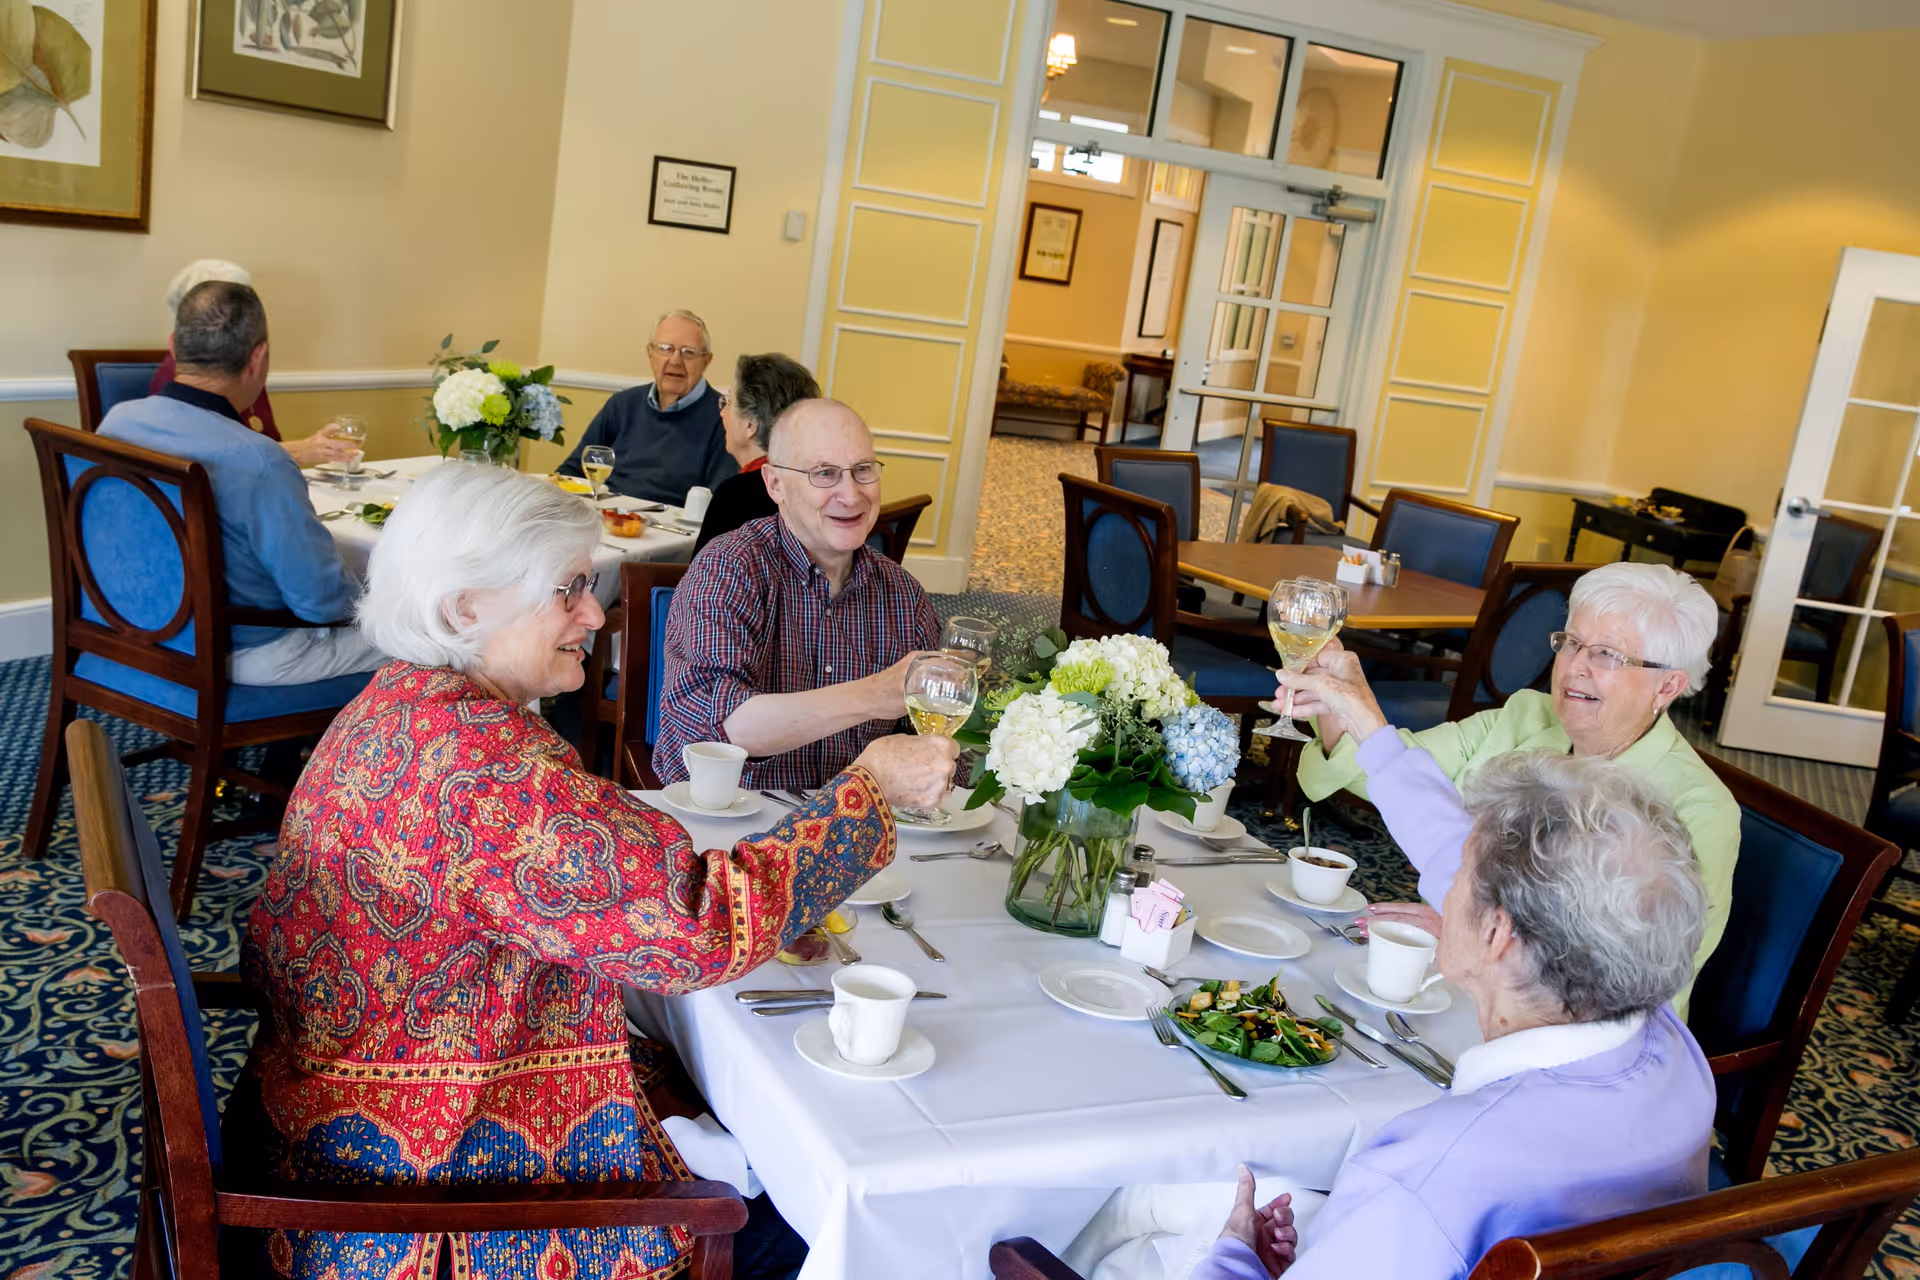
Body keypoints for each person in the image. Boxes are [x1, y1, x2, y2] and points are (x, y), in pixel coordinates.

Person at [233, 462, 959, 1280]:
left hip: (330, 1105)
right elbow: (699, 927)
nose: (595, 612)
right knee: (819, 1215)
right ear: (464, 608)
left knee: (743, 1090)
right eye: (568, 590)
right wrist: (868, 793)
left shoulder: (396, 705)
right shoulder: (489, 775)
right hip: (423, 1189)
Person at [1194, 750, 1715, 1280]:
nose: (1443, 890)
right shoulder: (1681, 1057)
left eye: (1462, 869)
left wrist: (1236, 1258)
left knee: (1150, 1209)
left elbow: (1420, 1204)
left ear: (1497, 934)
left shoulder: (1425, 1173)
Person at [1282, 561, 1737, 1014]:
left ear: (1668, 686)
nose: (1576, 667)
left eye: (1607, 655)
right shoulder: (1525, 718)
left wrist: (1475, 934)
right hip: (1448, 974)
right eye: (1572, 643)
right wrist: (1339, 701)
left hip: (1568, 1030)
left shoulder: (1699, 809)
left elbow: (1640, 982)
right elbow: (1382, 773)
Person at [100, 281, 384, 686]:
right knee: (442, 638)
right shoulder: (261, 461)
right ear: (258, 358)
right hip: (245, 653)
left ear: (173, 347)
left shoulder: (117, 423)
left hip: (140, 627)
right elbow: (323, 604)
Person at [656, 398, 940, 790]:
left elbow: (937, 734)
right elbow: (723, 728)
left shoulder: (902, 595)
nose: (852, 495)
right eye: (824, 473)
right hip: (735, 826)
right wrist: (876, 694)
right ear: (775, 484)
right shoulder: (731, 567)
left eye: (862, 470)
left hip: (861, 830)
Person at [146, 259, 359, 468]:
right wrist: (301, 450)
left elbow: (260, 443)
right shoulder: (179, 374)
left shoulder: (245, 365)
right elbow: (209, 462)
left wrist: (305, 449)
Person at [557, 309, 737, 505]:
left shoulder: (724, 418)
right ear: (650, 354)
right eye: (666, 349)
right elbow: (571, 472)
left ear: (706, 361)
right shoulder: (622, 405)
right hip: (606, 521)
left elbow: (722, 503)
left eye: (688, 353)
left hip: (674, 531)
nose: (675, 361)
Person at [692, 352, 820, 555]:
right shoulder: (815, 484)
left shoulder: (737, 494)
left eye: (728, 402)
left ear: (750, 424)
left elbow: (700, 580)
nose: (722, 412)